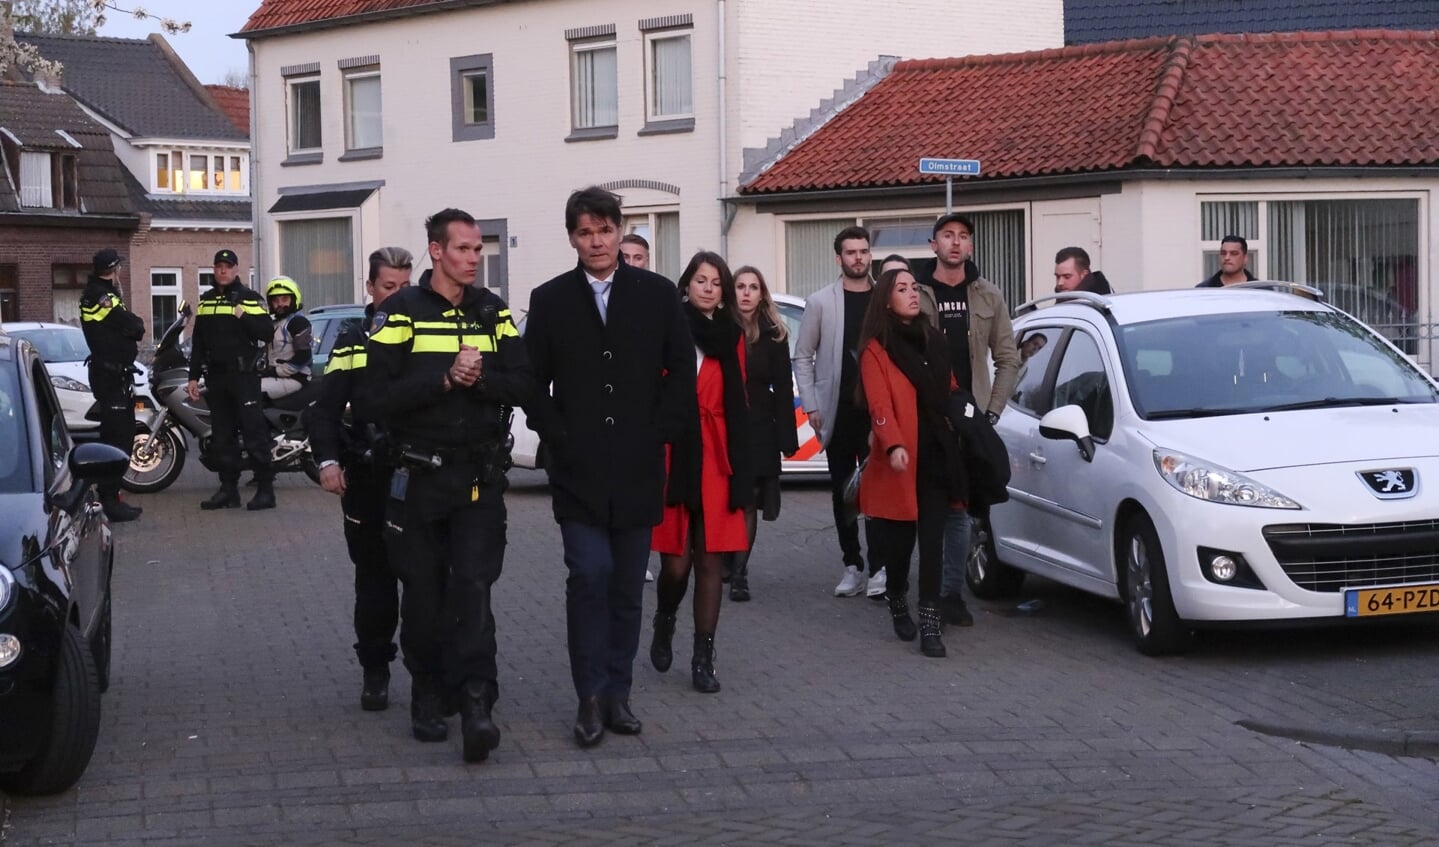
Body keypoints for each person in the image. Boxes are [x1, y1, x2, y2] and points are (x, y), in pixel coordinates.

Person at [524, 187, 694, 748]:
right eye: (584, 232)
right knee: (588, 577)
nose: (595, 241)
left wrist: (657, 434)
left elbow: (680, 374)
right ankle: (589, 697)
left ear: (621, 231)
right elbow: (532, 383)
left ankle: (618, 693)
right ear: (572, 237)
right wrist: (560, 435)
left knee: (625, 586)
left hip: (640, 467)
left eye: (604, 229)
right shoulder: (549, 299)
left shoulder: (658, 293)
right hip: (579, 470)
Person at [365, 210, 529, 764]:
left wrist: (479, 379)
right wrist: (441, 380)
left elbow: (523, 381)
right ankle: (428, 694)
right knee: (426, 595)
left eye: (477, 249)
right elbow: (374, 395)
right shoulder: (400, 312)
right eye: (462, 248)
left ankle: (478, 704)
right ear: (436, 252)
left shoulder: (493, 311)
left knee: (475, 592)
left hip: (479, 477)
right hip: (417, 477)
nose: (473, 257)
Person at [309, 247, 412, 713]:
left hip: (420, 475)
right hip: (368, 475)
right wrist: (328, 462)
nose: (397, 297)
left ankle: (428, 673)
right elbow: (325, 408)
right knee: (374, 581)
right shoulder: (353, 339)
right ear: (370, 288)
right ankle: (376, 668)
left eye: (405, 288)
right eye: (389, 288)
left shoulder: (428, 332)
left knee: (427, 580)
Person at [649, 252, 752, 694]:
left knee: (711, 561)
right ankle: (665, 618)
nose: (708, 288)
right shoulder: (669, 327)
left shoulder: (733, 337)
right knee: (675, 565)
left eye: (716, 282)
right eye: (700, 280)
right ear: (686, 284)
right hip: (677, 452)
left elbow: (741, 402)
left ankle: (703, 656)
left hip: (719, 455)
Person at [914, 213, 1021, 628]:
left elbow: (1008, 359)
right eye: (947, 236)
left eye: (962, 237)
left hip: (968, 419)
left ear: (971, 246)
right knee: (924, 508)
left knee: (961, 509)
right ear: (933, 244)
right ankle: (914, 588)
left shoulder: (989, 296)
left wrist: (990, 412)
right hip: (925, 415)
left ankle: (950, 593)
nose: (955, 243)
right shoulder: (916, 292)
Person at [857, 267, 967, 658]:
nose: (912, 294)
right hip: (902, 458)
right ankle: (897, 598)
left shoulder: (933, 339)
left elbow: (950, 386)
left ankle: (931, 626)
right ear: (886, 299)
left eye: (914, 288)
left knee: (933, 543)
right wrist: (893, 444)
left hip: (936, 453)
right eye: (902, 289)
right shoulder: (876, 347)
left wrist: (964, 414)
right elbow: (879, 404)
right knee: (900, 548)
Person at [793, 225, 877, 599]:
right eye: (851, 252)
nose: (858, 258)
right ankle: (852, 565)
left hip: (880, 413)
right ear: (838, 257)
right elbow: (803, 355)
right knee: (844, 491)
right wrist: (811, 404)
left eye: (863, 251)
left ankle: (883, 567)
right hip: (838, 412)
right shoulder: (821, 302)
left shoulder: (883, 298)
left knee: (879, 492)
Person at [187, 249, 276, 511]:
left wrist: (243, 315)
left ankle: (265, 490)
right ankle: (228, 490)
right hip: (216, 376)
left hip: (243, 376)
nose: (223, 271)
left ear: (236, 269)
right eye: (218, 266)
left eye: (228, 266)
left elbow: (266, 332)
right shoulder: (206, 301)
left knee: (253, 433)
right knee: (222, 436)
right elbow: (199, 341)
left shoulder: (249, 298)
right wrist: (193, 376)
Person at [729, 265, 798, 602]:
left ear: (761, 293)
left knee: (750, 500)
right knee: (726, 497)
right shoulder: (720, 326)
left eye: (752, 287)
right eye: (740, 286)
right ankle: (726, 558)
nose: (745, 293)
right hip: (723, 422)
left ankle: (740, 573)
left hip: (759, 424)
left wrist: (787, 439)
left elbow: (784, 387)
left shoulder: (774, 333)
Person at [78, 247, 144, 522]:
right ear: (113, 269)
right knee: (117, 438)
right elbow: (133, 326)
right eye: (118, 268)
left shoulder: (104, 293)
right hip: (109, 375)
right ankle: (109, 498)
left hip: (115, 375)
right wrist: (135, 326)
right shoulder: (101, 296)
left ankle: (111, 494)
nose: (120, 273)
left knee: (120, 434)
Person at [259, 276, 313, 400]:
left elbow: (304, 356)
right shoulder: (275, 324)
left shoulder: (297, 322)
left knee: (250, 391)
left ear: (294, 299)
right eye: (275, 300)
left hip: (295, 378)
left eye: (284, 299)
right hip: (277, 377)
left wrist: (275, 371)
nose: (280, 304)